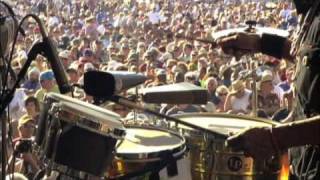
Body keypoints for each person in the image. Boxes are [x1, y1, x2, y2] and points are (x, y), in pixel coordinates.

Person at [217, 1, 320, 179]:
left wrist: (275, 138)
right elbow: (309, 59)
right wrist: (259, 43)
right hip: (303, 165)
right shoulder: (312, 9)